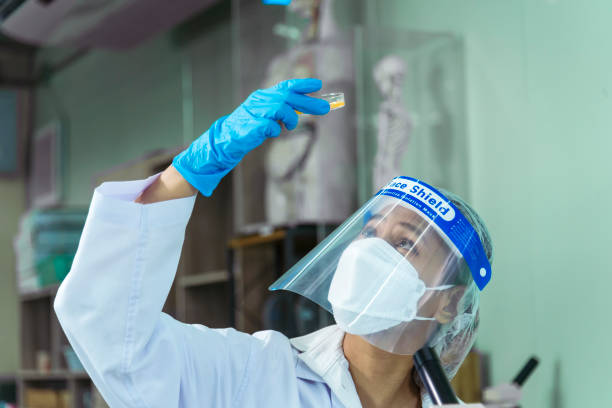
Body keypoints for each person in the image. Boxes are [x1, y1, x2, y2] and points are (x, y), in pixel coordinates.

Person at [54, 78, 493, 408]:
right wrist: (186, 172)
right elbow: (107, 331)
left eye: (403, 245)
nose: (369, 251)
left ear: (448, 302)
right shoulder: (251, 375)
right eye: (369, 231)